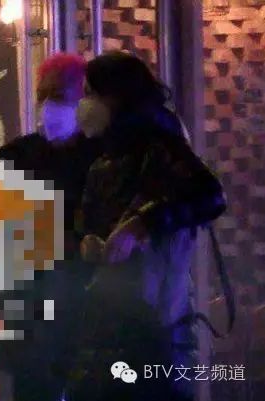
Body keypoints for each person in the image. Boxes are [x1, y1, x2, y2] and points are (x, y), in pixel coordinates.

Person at [70, 51, 227, 401]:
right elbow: (89, 223)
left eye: (91, 93)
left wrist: (142, 224)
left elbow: (210, 196)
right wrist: (89, 242)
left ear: (117, 95)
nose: (84, 104)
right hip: (108, 322)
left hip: (157, 324)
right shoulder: (102, 158)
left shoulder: (160, 147)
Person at [0, 53, 104, 401]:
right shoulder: (17, 157)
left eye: (59, 95)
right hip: (33, 313)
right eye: (44, 95)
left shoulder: (101, 157)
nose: (49, 105)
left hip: (87, 308)